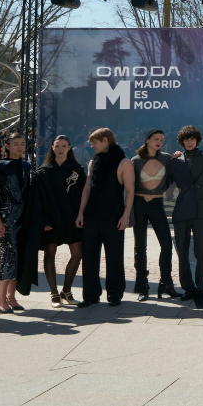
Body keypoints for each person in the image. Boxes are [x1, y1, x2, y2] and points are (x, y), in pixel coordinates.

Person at [75, 128, 134, 307]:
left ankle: (115, 294)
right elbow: (87, 188)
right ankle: (91, 295)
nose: (92, 146)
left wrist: (126, 216)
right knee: (89, 257)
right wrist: (80, 213)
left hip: (114, 217)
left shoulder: (124, 162)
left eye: (94, 142)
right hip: (91, 216)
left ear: (105, 140)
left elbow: (130, 191)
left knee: (114, 257)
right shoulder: (93, 161)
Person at [130, 129, 181, 301]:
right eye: (156, 139)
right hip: (139, 204)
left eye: (162, 139)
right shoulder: (136, 161)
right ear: (147, 140)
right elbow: (129, 186)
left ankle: (166, 283)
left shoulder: (166, 158)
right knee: (140, 246)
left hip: (157, 205)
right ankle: (142, 287)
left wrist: (178, 158)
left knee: (167, 244)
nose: (159, 142)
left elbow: (173, 176)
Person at [172, 125, 203, 306]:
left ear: (197, 140)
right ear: (182, 141)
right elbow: (167, 182)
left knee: (201, 251)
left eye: (192, 138)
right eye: (186, 139)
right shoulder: (175, 160)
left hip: (202, 208)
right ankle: (188, 288)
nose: (190, 142)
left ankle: (201, 288)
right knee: (182, 250)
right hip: (182, 208)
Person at [35, 135, 85, 307]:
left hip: (72, 218)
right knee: (50, 254)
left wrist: (81, 215)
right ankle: (54, 294)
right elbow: (38, 199)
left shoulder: (77, 170)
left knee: (77, 254)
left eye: (64, 146)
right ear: (52, 148)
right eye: (57, 146)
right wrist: (42, 221)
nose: (60, 149)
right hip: (51, 219)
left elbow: (83, 195)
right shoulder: (44, 171)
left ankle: (66, 291)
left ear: (69, 147)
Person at [0, 132, 37, 311]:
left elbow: (27, 193)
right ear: (7, 146)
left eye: (22, 143)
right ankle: (0, 299)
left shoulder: (26, 165)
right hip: (7, 217)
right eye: (15, 143)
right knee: (7, 256)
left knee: (19, 256)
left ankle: (11, 296)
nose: (19, 146)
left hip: (23, 217)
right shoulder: (0, 167)